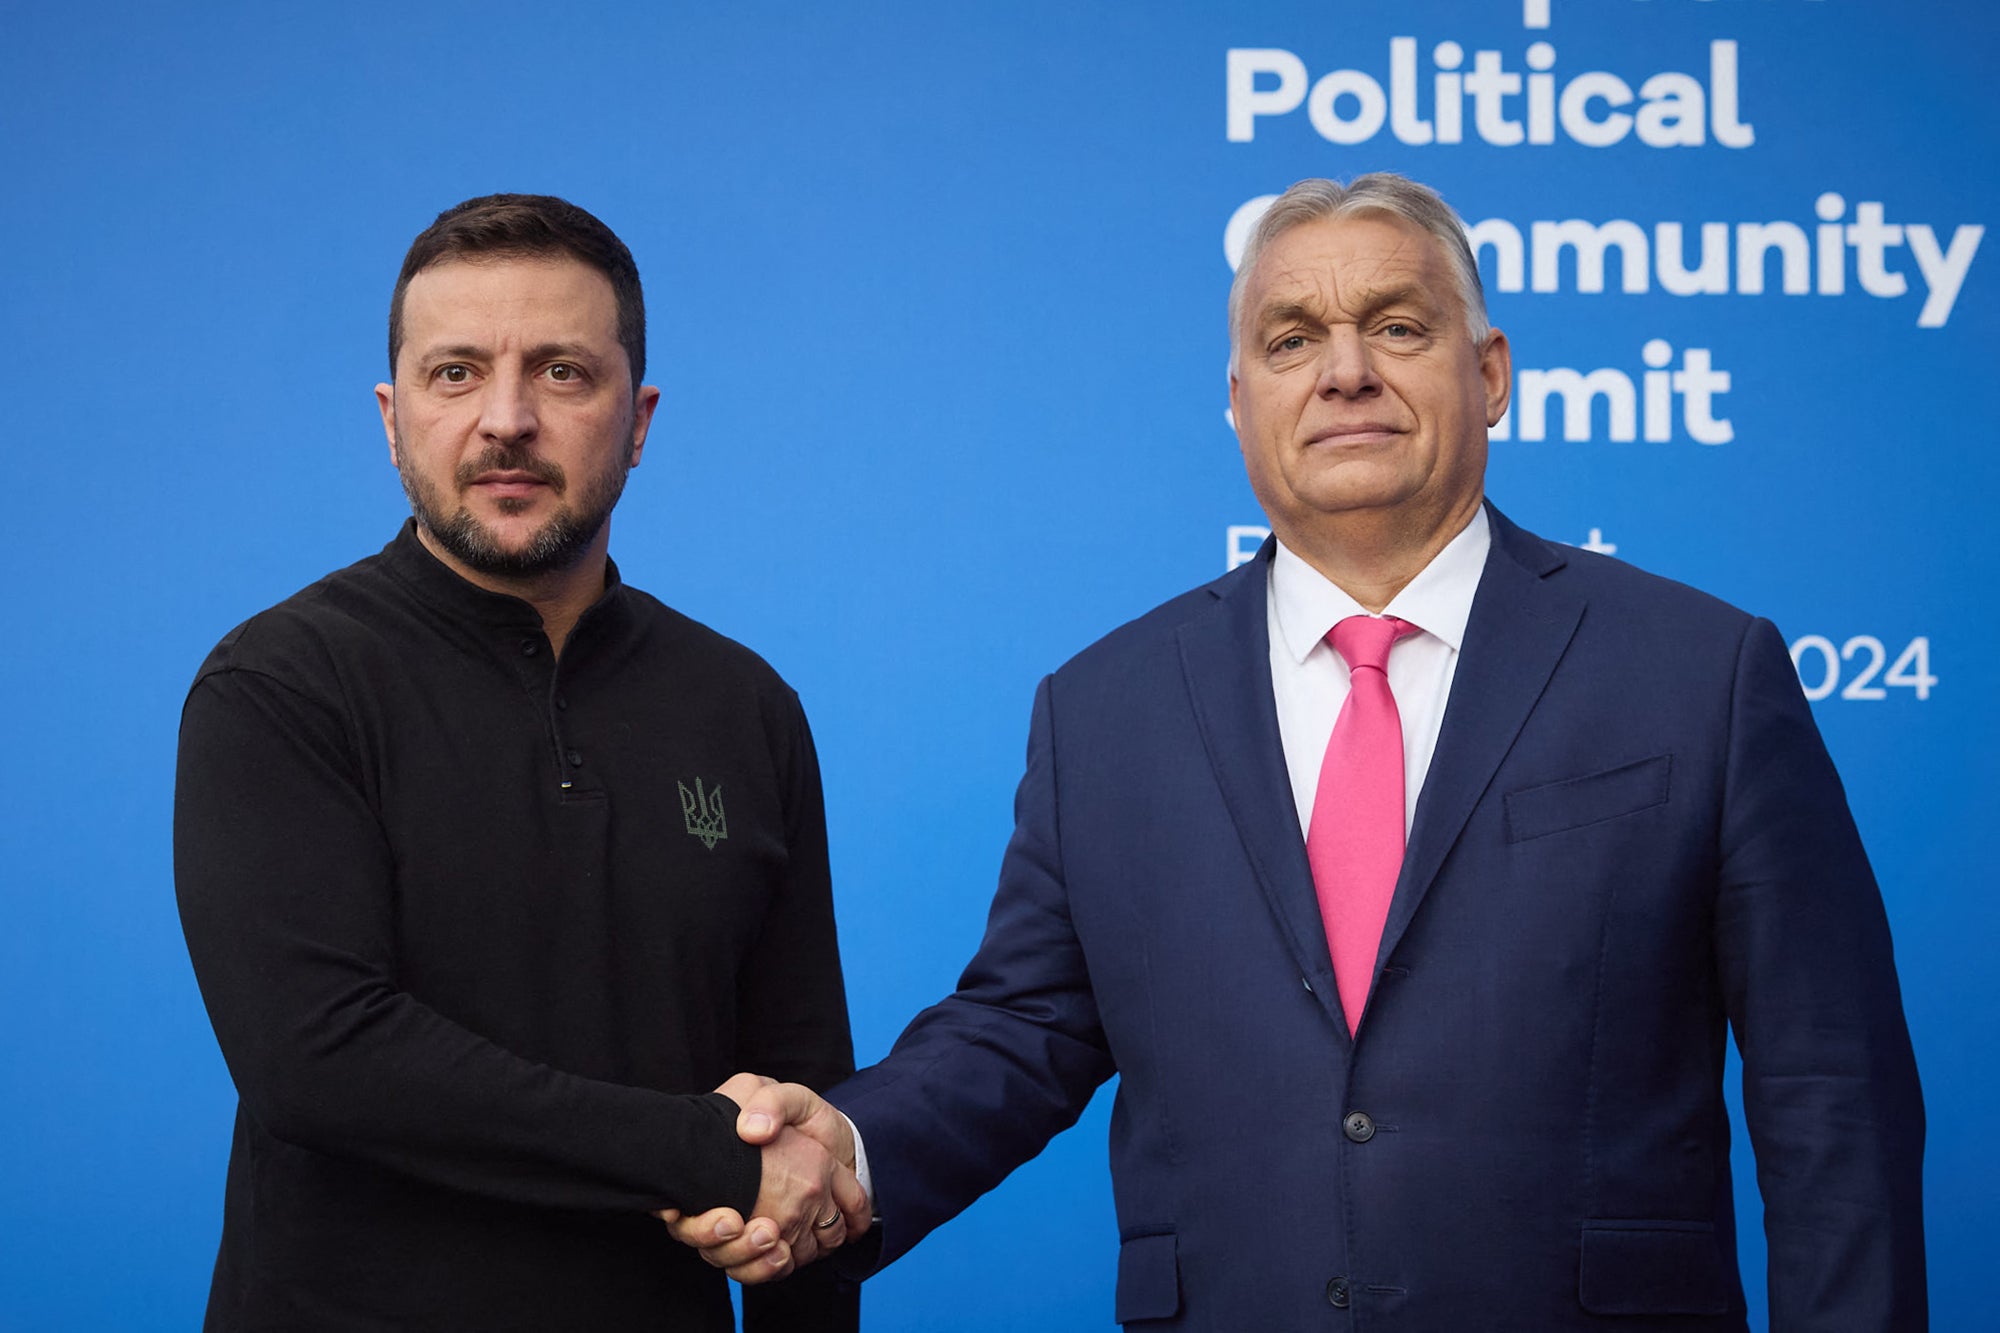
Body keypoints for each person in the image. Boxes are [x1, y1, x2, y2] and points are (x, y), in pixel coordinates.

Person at [670, 174, 1927, 1330]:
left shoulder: (1696, 672)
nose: (1344, 373)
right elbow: (1022, 1025)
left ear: (1488, 372)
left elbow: (1834, 1101)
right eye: (1289, 340)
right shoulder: (1104, 707)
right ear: (1237, 402)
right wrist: (848, 1144)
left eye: (1395, 325)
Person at [174, 193, 865, 1332]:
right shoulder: (282, 684)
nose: (505, 419)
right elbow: (320, 1058)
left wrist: (769, 1182)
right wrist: (700, 1152)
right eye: (455, 374)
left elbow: (801, 1111)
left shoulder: (743, 705)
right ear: (391, 418)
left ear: (637, 420)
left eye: (560, 372)